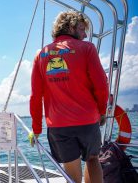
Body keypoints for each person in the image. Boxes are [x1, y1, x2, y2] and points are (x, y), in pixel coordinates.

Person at [29, 11, 108, 183]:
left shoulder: (40, 55)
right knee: (93, 159)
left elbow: (36, 96)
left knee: (72, 174)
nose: (85, 34)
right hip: (88, 120)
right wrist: (102, 111)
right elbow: (102, 85)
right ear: (71, 27)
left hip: (59, 126)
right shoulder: (87, 48)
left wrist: (36, 129)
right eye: (81, 29)